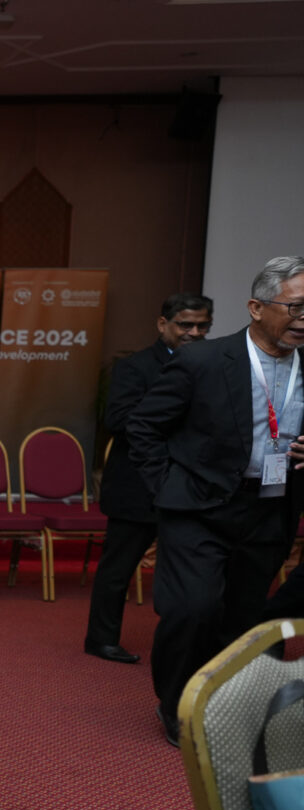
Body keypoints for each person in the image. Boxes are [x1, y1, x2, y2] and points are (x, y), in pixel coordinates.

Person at [126, 256, 304, 745]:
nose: (303, 319)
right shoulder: (203, 360)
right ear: (256, 307)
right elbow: (143, 427)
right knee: (192, 609)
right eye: (295, 307)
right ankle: (177, 704)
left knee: (244, 618)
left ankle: (229, 704)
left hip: (270, 509)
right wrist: (167, 487)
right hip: (197, 509)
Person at [84, 294, 213, 664]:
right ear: (162, 324)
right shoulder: (135, 366)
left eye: (202, 326)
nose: (194, 332)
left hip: (190, 485)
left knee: (187, 573)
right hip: (136, 485)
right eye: (185, 324)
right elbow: (118, 420)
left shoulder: (212, 364)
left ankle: (185, 645)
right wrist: (176, 421)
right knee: (118, 570)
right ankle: (101, 640)